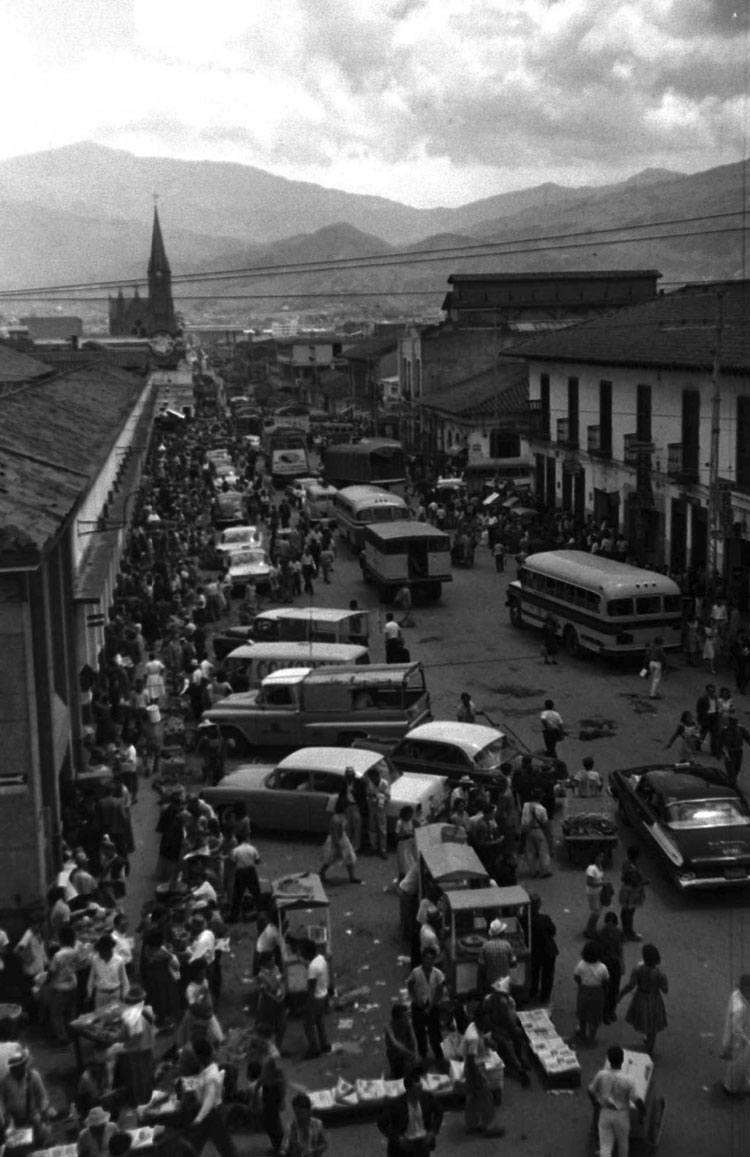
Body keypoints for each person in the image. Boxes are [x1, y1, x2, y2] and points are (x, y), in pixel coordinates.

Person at [588, 1044, 645, 1157]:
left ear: (608, 1059)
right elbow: (637, 1100)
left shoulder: (601, 1075)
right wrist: (643, 1112)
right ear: (622, 1060)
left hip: (605, 1113)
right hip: (621, 1116)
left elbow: (590, 1090)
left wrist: (595, 1104)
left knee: (605, 1146)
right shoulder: (628, 1080)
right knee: (623, 1144)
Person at [377, 1065, 444, 1157]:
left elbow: (439, 1113)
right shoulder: (396, 1104)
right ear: (408, 1090)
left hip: (422, 1142)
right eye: (417, 1089)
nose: (421, 1091)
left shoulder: (426, 1098)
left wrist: (432, 1132)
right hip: (405, 1144)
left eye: (420, 1087)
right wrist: (398, 1138)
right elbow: (382, 1123)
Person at [189, 1038, 237, 1157]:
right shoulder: (209, 1070)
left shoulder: (211, 1076)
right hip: (208, 1114)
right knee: (196, 1143)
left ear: (201, 1056)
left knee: (225, 1146)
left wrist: (198, 1119)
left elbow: (208, 1102)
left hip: (212, 1115)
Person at [618, 942, 669, 1056]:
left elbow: (631, 985)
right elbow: (665, 989)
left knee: (644, 1020)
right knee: (653, 1026)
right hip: (654, 999)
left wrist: (620, 995)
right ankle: (649, 1049)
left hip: (640, 998)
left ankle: (647, 1043)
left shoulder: (637, 970)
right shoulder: (660, 973)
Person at [461, 1007, 504, 1137]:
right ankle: (489, 1126)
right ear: (478, 1020)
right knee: (486, 1099)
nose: (487, 1024)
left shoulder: (473, 1026)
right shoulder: (473, 1037)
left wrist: (487, 1042)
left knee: (473, 1099)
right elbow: (470, 1059)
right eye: (485, 1021)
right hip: (474, 1070)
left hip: (470, 1070)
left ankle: (471, 1125)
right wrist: (478, 1078)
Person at [482, 976, 531, 1088]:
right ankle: (519, 1070)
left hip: (506, 1026)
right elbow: (486, 1021)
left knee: (518, 1033)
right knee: (506, 1043)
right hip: (493, 1029)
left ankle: (520, 1057)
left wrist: (506, 1014)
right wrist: (499, 1031)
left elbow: (512, 1022)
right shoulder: (488, 1001)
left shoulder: (510, 1002)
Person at [0, 1047, 51, 1147]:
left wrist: (43, 1109)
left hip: (32, 1114)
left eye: (18, 1067)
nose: (15, 1070)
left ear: (23, 1066)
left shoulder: (33, 1076)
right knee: (9, 1139)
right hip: (13, 1117)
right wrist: (4, 1115)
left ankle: (40, 1146)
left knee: (40, 1128)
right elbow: (1, 1100)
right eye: (13, 1068)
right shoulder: (5, 1081)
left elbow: (42, 1096)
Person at [249, 1022, 286, 1157]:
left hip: (274, 1090)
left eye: (256, 1035)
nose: (254, 1038)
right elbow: (264, 1074)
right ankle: (277, 1146)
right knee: (268, 1120)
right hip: (266, 1088)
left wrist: (282, 1099)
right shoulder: (263, 1052)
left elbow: (281, 1078)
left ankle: (281, 1148)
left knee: (273, 1120)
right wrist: (257, 1087)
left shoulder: (274, 1055)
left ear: (263, 1037)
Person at [407, 947, 446, 1066]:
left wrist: (431, 1006)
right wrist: (415, 999)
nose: (429, 961)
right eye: (427, 959)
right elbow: (410, 985)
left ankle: (439, 1056)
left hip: (432, 1006)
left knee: (435, 1033)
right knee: (419, 1033)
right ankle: (423, 1055)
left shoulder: (438, 974)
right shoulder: (416, 972)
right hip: (418, 1006)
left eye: (431, 959)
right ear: (422, 959)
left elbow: (439, 992)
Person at [46, 924, 81, 1046]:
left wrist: (46, 983)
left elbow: (51, 972)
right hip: (73, 986)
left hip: (59, 988)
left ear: (61, 939)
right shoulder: (75, 952)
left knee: (57, 1015)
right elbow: (78, 965)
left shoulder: (58, 955)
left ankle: (62, 1038)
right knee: (71, 1013)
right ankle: (72, 1035)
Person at [573, 941, 609, 1045]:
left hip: (584, 991)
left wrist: (581, 983)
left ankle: (582, 1032)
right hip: (597, 993)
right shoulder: (602, 967)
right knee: (594, 1017)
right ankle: (591, 1037)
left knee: (582, 1014)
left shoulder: (581, 965)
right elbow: (606, 980)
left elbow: (576, 977)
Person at [300, 939, 331, 1060]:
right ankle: (325, 1044)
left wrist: (306, 1005)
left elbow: (311, 989)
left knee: (308, 1025)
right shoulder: (321, 959)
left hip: (315, 999)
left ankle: (315, 1049)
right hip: (323, 994)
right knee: (320, 1021)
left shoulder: (312, 968)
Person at [721, 973, 750, 1096]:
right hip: (738, 1042)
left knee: (735, 1065)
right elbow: (737, 1029)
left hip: (731, 1039)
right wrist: (746, 1041)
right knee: (739, 1065)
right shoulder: (741, 1008)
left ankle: (736, 1084)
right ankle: (732, 1088)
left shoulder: (735, 995)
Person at [319, 800, 361, 885]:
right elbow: (335, 836)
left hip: (342, 838)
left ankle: (351, 876)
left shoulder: (340, 817)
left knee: (348, 857)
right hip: (337, 840)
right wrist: (338, 848)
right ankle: (321, 873)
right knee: (330, 858)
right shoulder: (336, 820)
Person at [528, 893, 559, 1005]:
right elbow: (553, 931)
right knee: (547, 975)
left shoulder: (525, 920)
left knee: (534, 972)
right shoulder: (545, 919)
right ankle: (544, 996)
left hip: (534, 951)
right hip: (548, 951)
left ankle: (533, 991)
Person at [594, 912, 625, 1025]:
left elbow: (620, 949)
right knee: (605, 989)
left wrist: (622, 962)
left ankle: (611, 1010)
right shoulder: (600, 933)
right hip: (604, 964)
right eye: (609, 924)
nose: (610, 927)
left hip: (614, 963)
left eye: (612, 924)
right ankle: (605, 1012)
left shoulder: (618, 933)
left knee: (614, 989)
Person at [256, 951, 287, 1052]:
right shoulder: (261, 975)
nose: (274, 961)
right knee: (268, 1028)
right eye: (271, 960)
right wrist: (277, 999)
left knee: (282, 1025)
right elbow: (265, 992)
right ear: (266, 962)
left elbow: (281, 982)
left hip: (279, 1001)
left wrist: (283, 993)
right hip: (268, 1004)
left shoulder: (276, 969)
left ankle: (278, 1047)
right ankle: (267, 1049)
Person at [88, 934, 129, 1009]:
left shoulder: (119, 961)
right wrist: (89, 994)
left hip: (115, 994)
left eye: (102, 951)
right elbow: (91, 979)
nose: (100, 953)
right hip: (100, 995)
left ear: (108, 949)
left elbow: (124, 979)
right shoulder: (95, 960)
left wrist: (123, 995)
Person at [281, 1091, 327, 1157]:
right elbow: (284, 1147)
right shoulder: (290, 1127)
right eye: (297, 1113)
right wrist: (283, 1152)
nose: (299, 1117)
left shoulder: (318, 1124)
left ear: (309, 1111)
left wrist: (314, 1151)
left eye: (302, 1113)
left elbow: (324, 1144)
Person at [520, 791, 553, 878]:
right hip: (539, 830)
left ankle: (532, 871)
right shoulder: (542, 809)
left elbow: (523, 820)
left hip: (528, 830)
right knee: (543, 850)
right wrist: (549, 837)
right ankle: (544, 871)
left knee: (530, 851)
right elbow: (545, 823)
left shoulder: (526, 806)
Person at [228, 834, 261, 922]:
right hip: (251, 871)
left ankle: (234, 917)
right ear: (246, 839)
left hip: (240, 873)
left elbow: (232, 862)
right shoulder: (252, 848)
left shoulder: (235, 850)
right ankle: (261, 913)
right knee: (256, 893)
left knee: (237, 896)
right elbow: (257, 861)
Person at [477, 919, 516, 992]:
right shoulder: (507, 945)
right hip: (504, 982)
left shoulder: (485, 946)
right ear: (501, 933)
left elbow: (481, 966)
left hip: (490, 981)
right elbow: (513, 963)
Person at [619, 845, 647, 941]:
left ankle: (625, 931)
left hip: (626, 890)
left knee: (624, 911)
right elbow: (634, 881)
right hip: (632, 892)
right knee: (629, 913)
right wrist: (644, 882)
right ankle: (629, 933)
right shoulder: (632, 868)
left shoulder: (626, 863)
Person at [384, 1002, 419, 1079]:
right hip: (394, 1052)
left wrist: (415, 1051)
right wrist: (410, 1053)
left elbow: (413, 1037)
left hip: (405, 1050)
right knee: (396, 1073)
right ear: (398, 1017)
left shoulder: (407, 1023)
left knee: (408, 1072)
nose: (407, 1017)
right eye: (405, 1016)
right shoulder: (389, 1026)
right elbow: (395, 1043)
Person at [336, 766, 365, 852]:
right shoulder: (343, 783)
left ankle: (355, 847)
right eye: (347, 775)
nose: (349, 777)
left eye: (350, 775)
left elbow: (362, 796)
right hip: (346, 806)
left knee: (357, 827)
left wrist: (355, 793)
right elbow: (340, 795)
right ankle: (347, 846)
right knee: (346, 827)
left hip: (356, 806)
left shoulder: (359, 784)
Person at [365, 763, 390, 859]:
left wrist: (377, 796)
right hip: (372, 807)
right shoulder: (370, 783)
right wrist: (371, 797)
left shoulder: (384, 783)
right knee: (372, 827)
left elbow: (387, 796)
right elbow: (367, 794)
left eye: (374, 779)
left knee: (382, 829)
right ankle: (373, 847)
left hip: (381, 808)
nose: (373, 781)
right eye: (371, 779)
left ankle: (383, 849)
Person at [720, 707, 750, 785]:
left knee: (737, 768)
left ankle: (731, 781)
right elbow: (720, 742)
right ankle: (733, 784)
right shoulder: (725, 730)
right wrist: (720, 752)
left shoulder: (741, 729)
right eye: (732, 721)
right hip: (729, 751)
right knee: (731, 770)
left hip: (738, 751)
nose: (734, 723)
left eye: (735, 721)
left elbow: (748, 738)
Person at [584, 851, 606, 939]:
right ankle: (589, 929)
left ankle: (592, 927)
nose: (601, 859)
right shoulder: (591, 868)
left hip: (599, 892)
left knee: (599, 910)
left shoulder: (600, 866)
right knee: (596, 911)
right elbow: (589, 882)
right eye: (599, 857)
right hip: (593, 892)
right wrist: (601, 884)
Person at [696, 683, 721, 756]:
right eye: (710, 691)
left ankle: (714, 750)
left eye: (713, 691)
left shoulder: (716, 699)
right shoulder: (702, 699)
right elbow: (699, 710)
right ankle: (697, 745)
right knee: (703, 733)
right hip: (706, 717)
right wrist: (700, 719)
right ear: (707, 691)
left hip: (714, 718)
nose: (711, 692)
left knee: (715, 735)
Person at [395, 806, 417, 881]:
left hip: (410, 845)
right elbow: (397, 836)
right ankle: (401, 880)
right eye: (408, 816)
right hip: (402, 845)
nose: (410, 818)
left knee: (410, 863)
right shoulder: (400, 823)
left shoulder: (410, 821)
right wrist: (406, 834)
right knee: (403, 864)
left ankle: (408, 880)